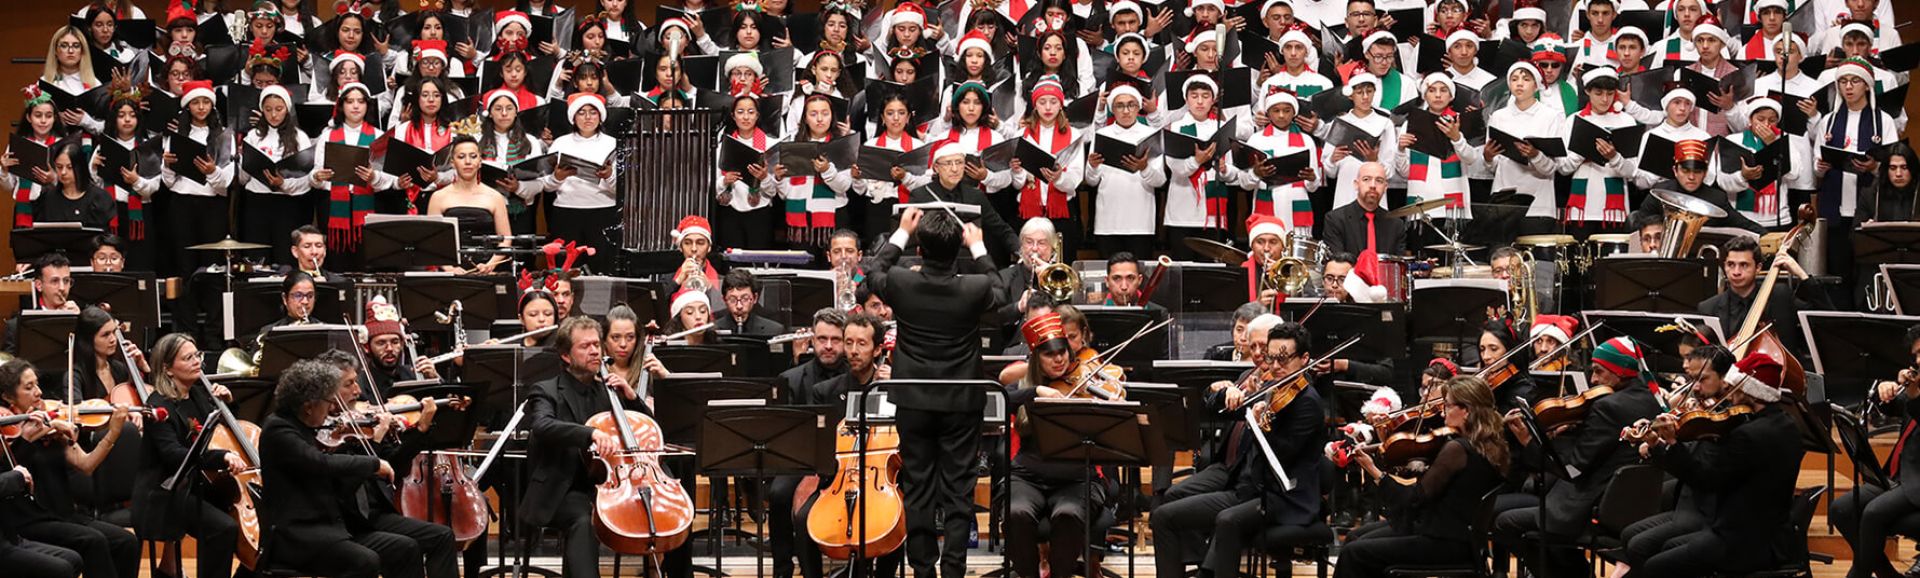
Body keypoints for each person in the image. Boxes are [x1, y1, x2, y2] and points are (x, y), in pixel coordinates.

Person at [861, 207, 1002, 578]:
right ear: (958, 249)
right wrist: (980, 247)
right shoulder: (975, 287)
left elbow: (871, 272)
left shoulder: (901, 283)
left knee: (918, 486)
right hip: (961, 401)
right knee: (959, 490)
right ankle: (953, 570)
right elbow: (1001, 292)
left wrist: (902, 232)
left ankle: (923, 571)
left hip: (914, 399)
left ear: (919, 251)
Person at [1150, 321, 1324, 578]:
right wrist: (1223, 391)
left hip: (1283, 498)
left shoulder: (1307, 403)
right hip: (1246, 488)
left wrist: (1258, 424)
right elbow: (1220, 409)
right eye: (1272, 358)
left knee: (1227, 520)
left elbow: (1280, 455)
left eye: (1284, 360)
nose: (1275, 367)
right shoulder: (1269, 388)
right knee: (1164, 516)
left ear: (1304, 359)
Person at [520, 315, 685, 578]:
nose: (595, 351)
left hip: (610, 484)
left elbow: (648, 432)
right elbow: (542, 426)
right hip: (563, 487)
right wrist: (590, 433)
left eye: (596, 344)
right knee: (583, 519)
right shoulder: (546, 390)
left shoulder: (608, 391)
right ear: (565, 355)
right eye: (585, 346)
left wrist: (631, 399)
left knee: (672, 510)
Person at [1614, 351, 1802, 577]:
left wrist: (1672, 442)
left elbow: (1706, 479)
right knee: (1662, 551)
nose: (1730, 393)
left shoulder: (1748, 435)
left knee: (1657, 566)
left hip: (1741, 540)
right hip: (1770, 533)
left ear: (1749, 390)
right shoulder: (1787, 425)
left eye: (1734, 387)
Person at [1493, 336, 1661, 578]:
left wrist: (1529, 442)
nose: (1593, 380)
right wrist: (1572, 431)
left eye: (1599, 371)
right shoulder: (1652, 399)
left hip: (1588, 504)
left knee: (1504, 522)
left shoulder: (1608, 406)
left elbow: (1573, 467)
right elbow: (1604, 443)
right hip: (1630, 503)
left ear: (1620, 371)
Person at [1334, 376, 1510, 578]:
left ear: (1467, 411)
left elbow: (1413, 499)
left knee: (1353, 552)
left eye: (1448, 405)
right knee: (1355, 537)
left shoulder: (1457, 449)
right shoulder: (1490, 445)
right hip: (1459, 537)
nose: (1443, 411)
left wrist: (1374, 471)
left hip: (1444, 543)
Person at [257, 360, 412, 578]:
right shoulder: (279, 429)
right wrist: (373, 464)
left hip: (331, 527)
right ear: (309, 406)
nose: (332, 408)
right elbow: (319, 463)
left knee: (404, 549)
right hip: (297, 534)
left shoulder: (306, 426)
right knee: (364, 561)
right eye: (328, 401)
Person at [310, 350, 458, 578]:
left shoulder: (359, 424)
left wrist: (420, 430)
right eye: (349, 384)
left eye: (356, 382)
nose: (358, 391)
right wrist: (376, 441)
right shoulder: (321, 432)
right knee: (407, 547)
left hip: (375, 514)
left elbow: (394, 466)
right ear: (327, 389)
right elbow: (345, 482)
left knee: (442, 536)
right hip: (347, 520)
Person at [1002, 312, 1118, 578]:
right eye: (1049, 355)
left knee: (1067, 514)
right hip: (1027, 476)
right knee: (1016, 512)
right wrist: (1036, 392)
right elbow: (1000, 399)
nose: (1059, 359)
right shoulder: (1027, 387)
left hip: (1077, 477)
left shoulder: (1086, 381)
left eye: (1063, 352)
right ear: (1036, 359)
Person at [0, 358, 137, 578]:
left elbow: (87, 465)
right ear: (7, 397)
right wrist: (27, 438)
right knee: (93, 541)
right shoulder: (8, 432)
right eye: (28, 387)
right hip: (29, 519)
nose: (38, 392)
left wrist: (113, 433)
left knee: (126, 541)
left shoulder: (50, 424)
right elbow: (9, 470)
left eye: (37, 384)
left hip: (63, 513)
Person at [792, 312, 903, 578]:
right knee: (802, 517)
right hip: (839, 479)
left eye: (861, 344)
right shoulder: (826, 391)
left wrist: (895, 389)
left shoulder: (895, 389)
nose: (853, 351)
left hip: (882, 479)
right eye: (849, 342)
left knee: (898, 517)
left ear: (877, 349)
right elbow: (818, 446)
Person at [132, 333, 243, 578]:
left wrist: (227, 404)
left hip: (194, 484)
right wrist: (221, 457)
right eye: (188, 357)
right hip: (164, 493)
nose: (197, 362)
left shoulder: (196, 395)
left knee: (247, 515)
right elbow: (174, 456)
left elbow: (217, 433)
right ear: (168, 369)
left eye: (198, 355)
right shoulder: (158, 405)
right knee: (223, 528)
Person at [768, 309, 848, 578]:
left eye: (835, 340)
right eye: (822, 338)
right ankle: (783, 568)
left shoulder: (856, 376)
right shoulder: (792, 378)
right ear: (812, 339)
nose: (828, 346)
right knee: (779, 493)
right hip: (802, 458)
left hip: (847, 461)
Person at [1834, 326, 1920, 578]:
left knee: (1872, 513)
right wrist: (1888, 390)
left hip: (1916, 481)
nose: (1917, 361)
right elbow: (1897, 407)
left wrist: (1915, 396)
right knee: (1842, 508)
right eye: (1915, 355)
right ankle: (1887, 574)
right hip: (1900, 477)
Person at [1696, 236, 1828, 364]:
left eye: (1744, 265)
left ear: (1758, 268)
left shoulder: (1780, 296)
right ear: (1724, 266)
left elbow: (1824, 317)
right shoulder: (1708, 308)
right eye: (1731, 264)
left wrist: (1802, 275)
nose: (1736, 272)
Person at [1627, 139, 1766, 234]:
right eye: (1685, 171)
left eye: (1697, 171)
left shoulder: (1717, 198)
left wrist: (1772, 237)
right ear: (1675, 171)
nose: (1691, 177)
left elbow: (1744, 225)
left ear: (1705, 173)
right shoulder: (1659, 193)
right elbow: (1639, 226)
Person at [1321, 162, 1406, 258]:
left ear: (1385, 187)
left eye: (1379, 180)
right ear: (1356, 184)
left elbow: (1398, 266)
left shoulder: (1396, 224)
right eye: (1366, 179)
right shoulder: (1336, 219)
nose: (1373, 185)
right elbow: (1337, 262)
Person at [3, 253, 78, 355]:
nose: (62, 288)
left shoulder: (80, 319)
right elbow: (9, 368)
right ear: (39, 285)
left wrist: (81, 324)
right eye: (55, 281)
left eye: (66, 281)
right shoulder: (16, 327)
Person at [361, 296, 439, 391]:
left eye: (395, 342)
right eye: (381, 343)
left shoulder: (415, 374)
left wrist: (436, 380)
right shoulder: (359, 386)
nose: (389, 348)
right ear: (366, 347)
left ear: (402, 344)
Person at [716, 269, 784, 336]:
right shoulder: (713, 331)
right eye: (733, 299)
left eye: (745, 299)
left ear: (755, 298)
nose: (739, 306)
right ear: (724, 300)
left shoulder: (774, 330)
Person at [1203, 303, 1268, 361]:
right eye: (1239, 330)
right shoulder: (1215, 355)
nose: (1243, 338)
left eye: (1249, 332)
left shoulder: (1269, 361)